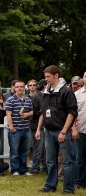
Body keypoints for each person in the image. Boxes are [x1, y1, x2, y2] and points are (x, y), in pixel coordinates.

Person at [36, 65, 77, 194]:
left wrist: (64, 131)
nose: (46, 79)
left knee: (67, 161)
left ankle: (68, 188)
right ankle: (50, 185)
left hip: (62, 131)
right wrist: (39, 129)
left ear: (56, 75)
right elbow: (43, 112)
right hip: (48, 131)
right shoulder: (46, 92)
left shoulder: (66, 91)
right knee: (50, 161)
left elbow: (72, 112)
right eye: (45, 76)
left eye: (48, 77)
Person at [5, 80, 33, 176]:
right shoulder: (10, 100)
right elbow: (8, 115)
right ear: (14, 88)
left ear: (24, 88)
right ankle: (15, 170)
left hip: (26, 129)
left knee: (25, 151)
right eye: (18, 87)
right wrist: (11, 127)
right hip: (15, 129)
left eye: (21, 86)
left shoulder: (28, 99)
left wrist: (27, 114)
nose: (20, 88)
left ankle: (24, 170)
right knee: (15, 151)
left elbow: (32, 111)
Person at [29, 79, 46, 174]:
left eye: (34, 85)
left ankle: (43, 167)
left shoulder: (41, 96)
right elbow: (35, 112)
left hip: (41, 126)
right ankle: (35, 168)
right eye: (30, 85)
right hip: (36, 126)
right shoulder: (37, 97)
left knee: (42, 149)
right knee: (37, 148)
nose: (32, 87)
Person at [72, 71, 86, 189]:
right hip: (81, 130)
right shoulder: (77, 95)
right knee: (79, 158)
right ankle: (79, 181)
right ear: (83, 78)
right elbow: (72, 114)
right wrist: (74, 129)